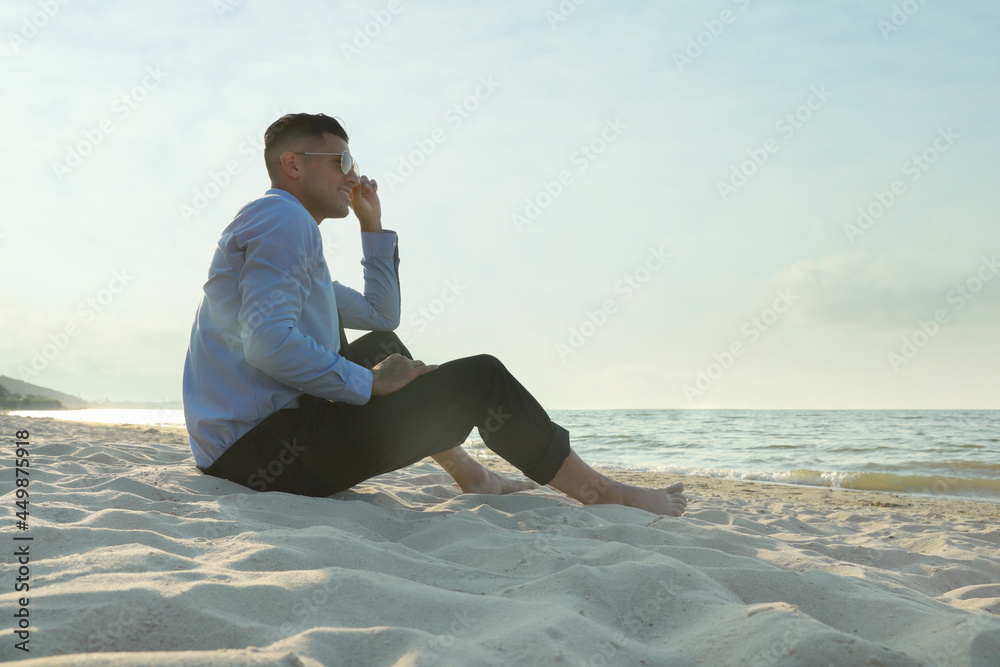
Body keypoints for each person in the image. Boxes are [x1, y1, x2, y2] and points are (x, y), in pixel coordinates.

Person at [182, 112, 687, 516]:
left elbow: (382, 317)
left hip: (244, 451)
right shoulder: (284, 218)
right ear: (293, 165)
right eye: (340, 160)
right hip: (264, 453)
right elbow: (266, 344)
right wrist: (371, 385)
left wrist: (372, 228)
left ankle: (473, 475)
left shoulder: (286, 235)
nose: (353, 173)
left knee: (381, 349)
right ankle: (605, 493)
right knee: (483, 378)